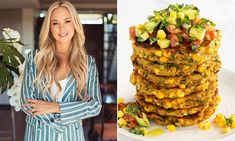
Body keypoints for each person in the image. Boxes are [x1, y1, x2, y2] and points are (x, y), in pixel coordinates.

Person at [20, 1, 102, 141]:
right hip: (38, 134)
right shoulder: (34, 59)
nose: (61, 28)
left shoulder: (88, 63)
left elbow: (95, 105)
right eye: (55, 23)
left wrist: (55, 107)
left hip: (72, 135)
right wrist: (71, 112)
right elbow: (26, 103)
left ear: (75, 24)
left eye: (67, 21)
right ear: (49, 28)